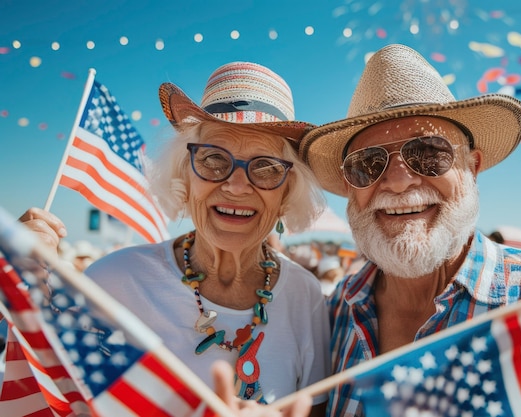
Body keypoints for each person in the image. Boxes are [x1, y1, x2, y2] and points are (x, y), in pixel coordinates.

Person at [297, 44, 521, 416]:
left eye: (428, 153)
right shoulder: (336, 309)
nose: (399, 181)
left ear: (472, 166)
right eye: (368, 164)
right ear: (350, 187)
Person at [17, 61, 331, 415]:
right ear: (185, 175)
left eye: (265, 168)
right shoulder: (111, 281)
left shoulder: (307, 296)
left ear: (288, 192)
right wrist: (17, 276)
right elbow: (53, 392)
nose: (236, 185)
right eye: (213, 159)